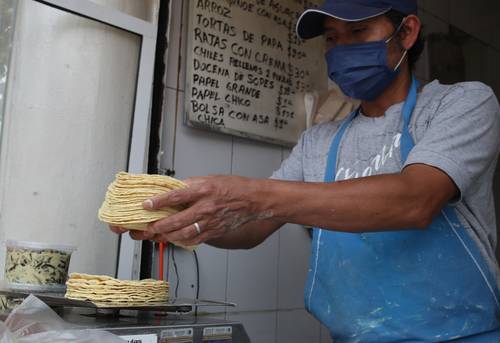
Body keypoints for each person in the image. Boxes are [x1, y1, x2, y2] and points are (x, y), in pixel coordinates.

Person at [111, 0, 500, 341]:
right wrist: (183, 213)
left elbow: (416, 200)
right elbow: (252, 226)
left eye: (358, 31)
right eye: (332, 38)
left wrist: (254, 194)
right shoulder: (319, 141)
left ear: (407, 32)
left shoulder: (460, 105)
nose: (341, 49)